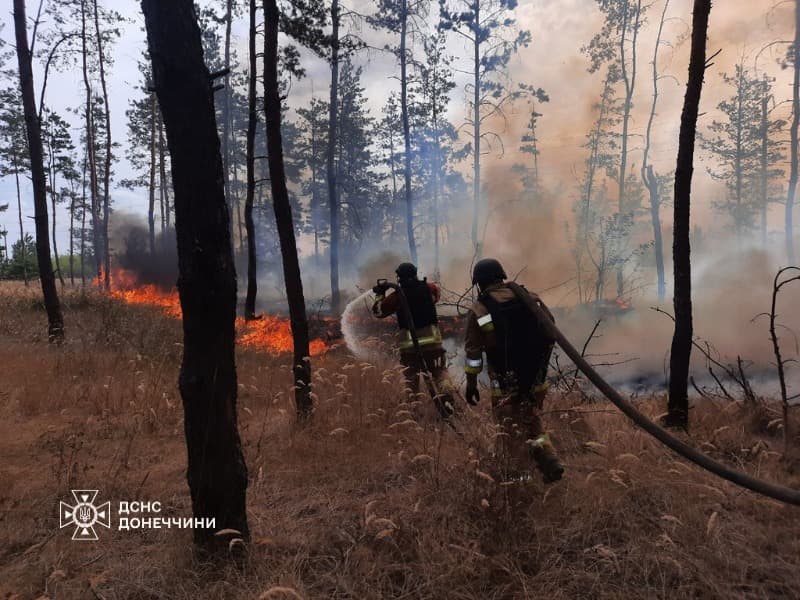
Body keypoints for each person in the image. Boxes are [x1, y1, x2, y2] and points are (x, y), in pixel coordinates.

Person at [463, 258, 564, 483]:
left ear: (480, 283)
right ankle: (549, 459)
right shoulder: (530, 298)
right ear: (501, 276)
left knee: (509, 433)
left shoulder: (480, 309)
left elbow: (473, 353)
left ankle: (520, 480)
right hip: (536, 381)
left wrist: (471, 383)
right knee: (532, 422)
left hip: (505, 385)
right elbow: (551, 329)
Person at [372, 263, 452, 412]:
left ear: (399, 277)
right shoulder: (429, 288)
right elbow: (436, 296)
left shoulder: (397, 296)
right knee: (440, 374)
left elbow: (378, 312)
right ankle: (448, 401)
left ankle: (413, 412)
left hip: (410, 351)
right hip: (433, 346)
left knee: (411, 382)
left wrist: (380, 294)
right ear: (415, 273)